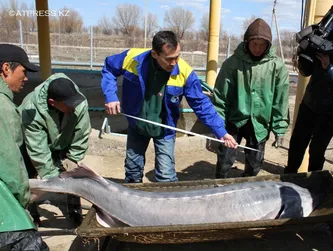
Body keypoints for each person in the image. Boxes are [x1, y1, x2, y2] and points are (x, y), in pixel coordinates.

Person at [101, 30, 237, 183]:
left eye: (177, 56)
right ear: (154, 54)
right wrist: (111, 96)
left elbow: (201, 104)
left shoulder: (185, 72)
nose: (174, 62)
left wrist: (221, 132)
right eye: (169, 59)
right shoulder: (132, 58)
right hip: (137, 125)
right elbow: (109, 68)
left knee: (165, 176)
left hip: (165, 128)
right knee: (132, 172)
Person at [285, 15, 333, 173]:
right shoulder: (322, 41)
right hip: (310, 104)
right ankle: (289, 176)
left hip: (332, 110)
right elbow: (306, 72)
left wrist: (328, 67)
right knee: (297, 145)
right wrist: (303, 54)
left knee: (317, 151)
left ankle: (314, 181)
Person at [213, 18, 290, 178]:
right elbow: (221, 96)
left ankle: (247, 184)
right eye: (254, 44)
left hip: (260, 122)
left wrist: (279, 129)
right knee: (226, 157)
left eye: (262, 45)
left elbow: (280, 100)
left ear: (268, 45)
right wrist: (218, 125)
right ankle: (219, 184)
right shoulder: (232, 63)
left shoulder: (277, 66)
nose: (257, 48)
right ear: (247, 42)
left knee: (255, 162)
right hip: (235, 118)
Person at [19, 73, 91, 226]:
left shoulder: (77, 100)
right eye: (68, 104)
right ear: (52, 102)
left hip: (62, 140)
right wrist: (53, 179)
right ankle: (31, 215)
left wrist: (73, 158)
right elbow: (38, 149)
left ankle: (74, 212)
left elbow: (82, 131)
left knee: (73, 175)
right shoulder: (30, 109)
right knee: (28, 176)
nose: (73, 106)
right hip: (36, 143)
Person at [0, 44, 49, 250]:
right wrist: (24, 199)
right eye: (24, 71)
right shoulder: (3, 107)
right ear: (6, 69)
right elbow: (9, 162)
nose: (26, 78)